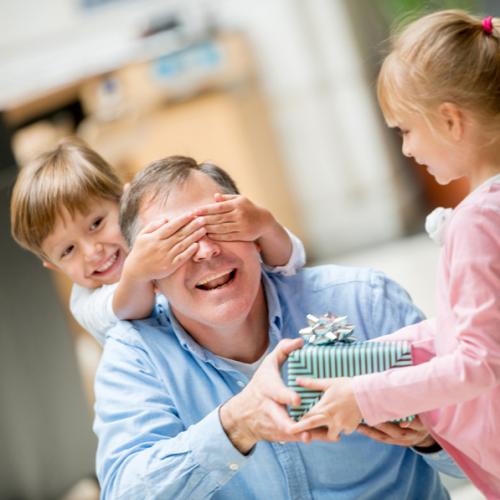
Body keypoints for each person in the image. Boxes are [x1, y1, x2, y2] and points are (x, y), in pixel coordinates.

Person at [93, 155, 462, 499]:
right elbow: (125, 491)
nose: (205, 251)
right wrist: (235, 425)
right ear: (150, 280)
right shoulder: (135, 357)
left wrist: (433, 436)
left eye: (220, 225)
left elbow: (485, 439)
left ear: (255, 234)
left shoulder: (363, 300)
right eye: (175, 243)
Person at [290, 10, 500, 498]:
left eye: (404, 129)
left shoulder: (477, 222)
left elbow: (479, 360)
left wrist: (363, 395)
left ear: (450, 120)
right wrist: (389, 354)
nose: (405, 149)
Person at [10, 138, 304, 345]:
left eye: (97, 224)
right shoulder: (86, 302)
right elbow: (129, 310)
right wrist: (139, 272)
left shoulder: (172, 231)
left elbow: (290, 264)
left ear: (125, 204)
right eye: (68, 250)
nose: (92, 251)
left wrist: (264, 227)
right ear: (54, 266)